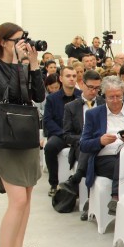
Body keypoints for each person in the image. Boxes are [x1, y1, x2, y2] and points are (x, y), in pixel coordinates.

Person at [0, 22, 46, 247]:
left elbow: (38, 95)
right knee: (17, 200)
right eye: (17, 40)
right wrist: (20, 64)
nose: (23, 44)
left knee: (27, 197)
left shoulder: (23, 64)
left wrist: (34, 65)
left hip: (26, 133)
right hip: (6, 137)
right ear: (3, 42)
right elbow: (10, 93)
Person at [80, 76, 124, 216]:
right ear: (104, 96)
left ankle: (118, 199)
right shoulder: (93, 114)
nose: (115, 100)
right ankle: (116, 196)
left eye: (119, 96)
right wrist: (100, 141)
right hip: (104, 159)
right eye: (111, 97)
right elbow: (83, 145)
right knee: (121, 162)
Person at [61, 70, 104, 220]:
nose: (94, 91)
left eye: (97, 88)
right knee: (88, 147)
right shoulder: (71, 107)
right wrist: (86, 139)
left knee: (93, 146)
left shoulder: (105, 104)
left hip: (104, 144)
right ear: (82, 84)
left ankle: (77, 177)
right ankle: (90, 204)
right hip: (81, 146)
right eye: (91, 87)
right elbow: (66, 135)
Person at [43, 66, 82, 196]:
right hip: (59, 134)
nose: (72, 79)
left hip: (77, 134)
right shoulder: (52, 98)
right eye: (68, 76)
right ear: (61, 78)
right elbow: (48, 120)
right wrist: (63, 134)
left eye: (74, 76)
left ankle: (79, 184)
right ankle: (54, 183)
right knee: (50, 148)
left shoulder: (81, 96)